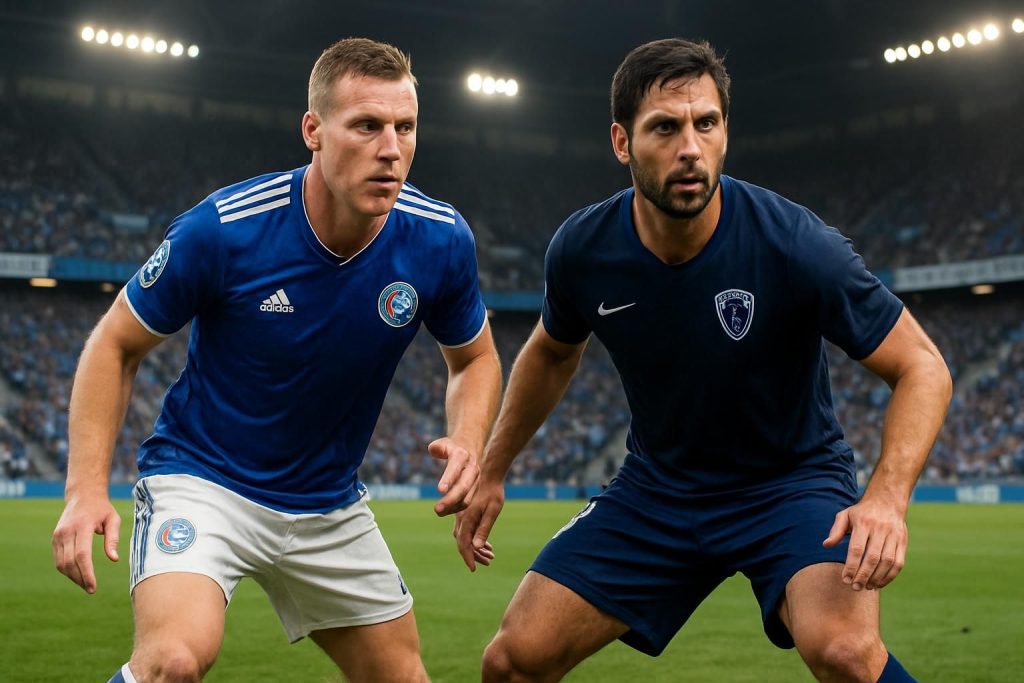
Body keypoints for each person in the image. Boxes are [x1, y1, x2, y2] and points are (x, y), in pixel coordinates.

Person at [456, 38, 951, 682]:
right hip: (659, 491)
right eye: (665, 127)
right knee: (512, 661)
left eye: (706, 123)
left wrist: (886, 499)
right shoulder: (582, 249)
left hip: (791, 485)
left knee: (847, 655)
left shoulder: (797, 245)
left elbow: (923, 366)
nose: (690, 147)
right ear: (621, 143)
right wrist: (492, 468)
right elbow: (551, 352)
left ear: (723, 132)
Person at [52, 37, 501, 683]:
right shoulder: (225, 229)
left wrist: (467, 438)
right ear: (313, 131)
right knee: (171, 662)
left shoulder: (440, 237)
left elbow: (476, 357)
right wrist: (85, 488)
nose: (391, 148)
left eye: (405, 127)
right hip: (206, 482)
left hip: (328, 503)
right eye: (367, 125)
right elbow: (114, 342)